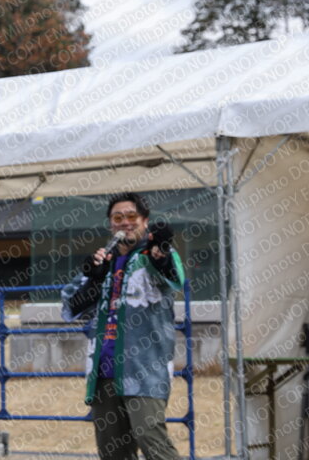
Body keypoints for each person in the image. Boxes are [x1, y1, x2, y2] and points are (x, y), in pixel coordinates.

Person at [62, 192, 185, 460]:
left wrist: (161, 254)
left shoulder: (153, 254)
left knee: (153, 440)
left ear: (145, 221)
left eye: (131, 216)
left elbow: (173, 276)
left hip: (145, 369)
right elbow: (71, 307)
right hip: (103, 370)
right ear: (110, 224)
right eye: (118, 218)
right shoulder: (104, 260)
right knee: (112, 450)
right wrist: (94, 280)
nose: (125, 223)